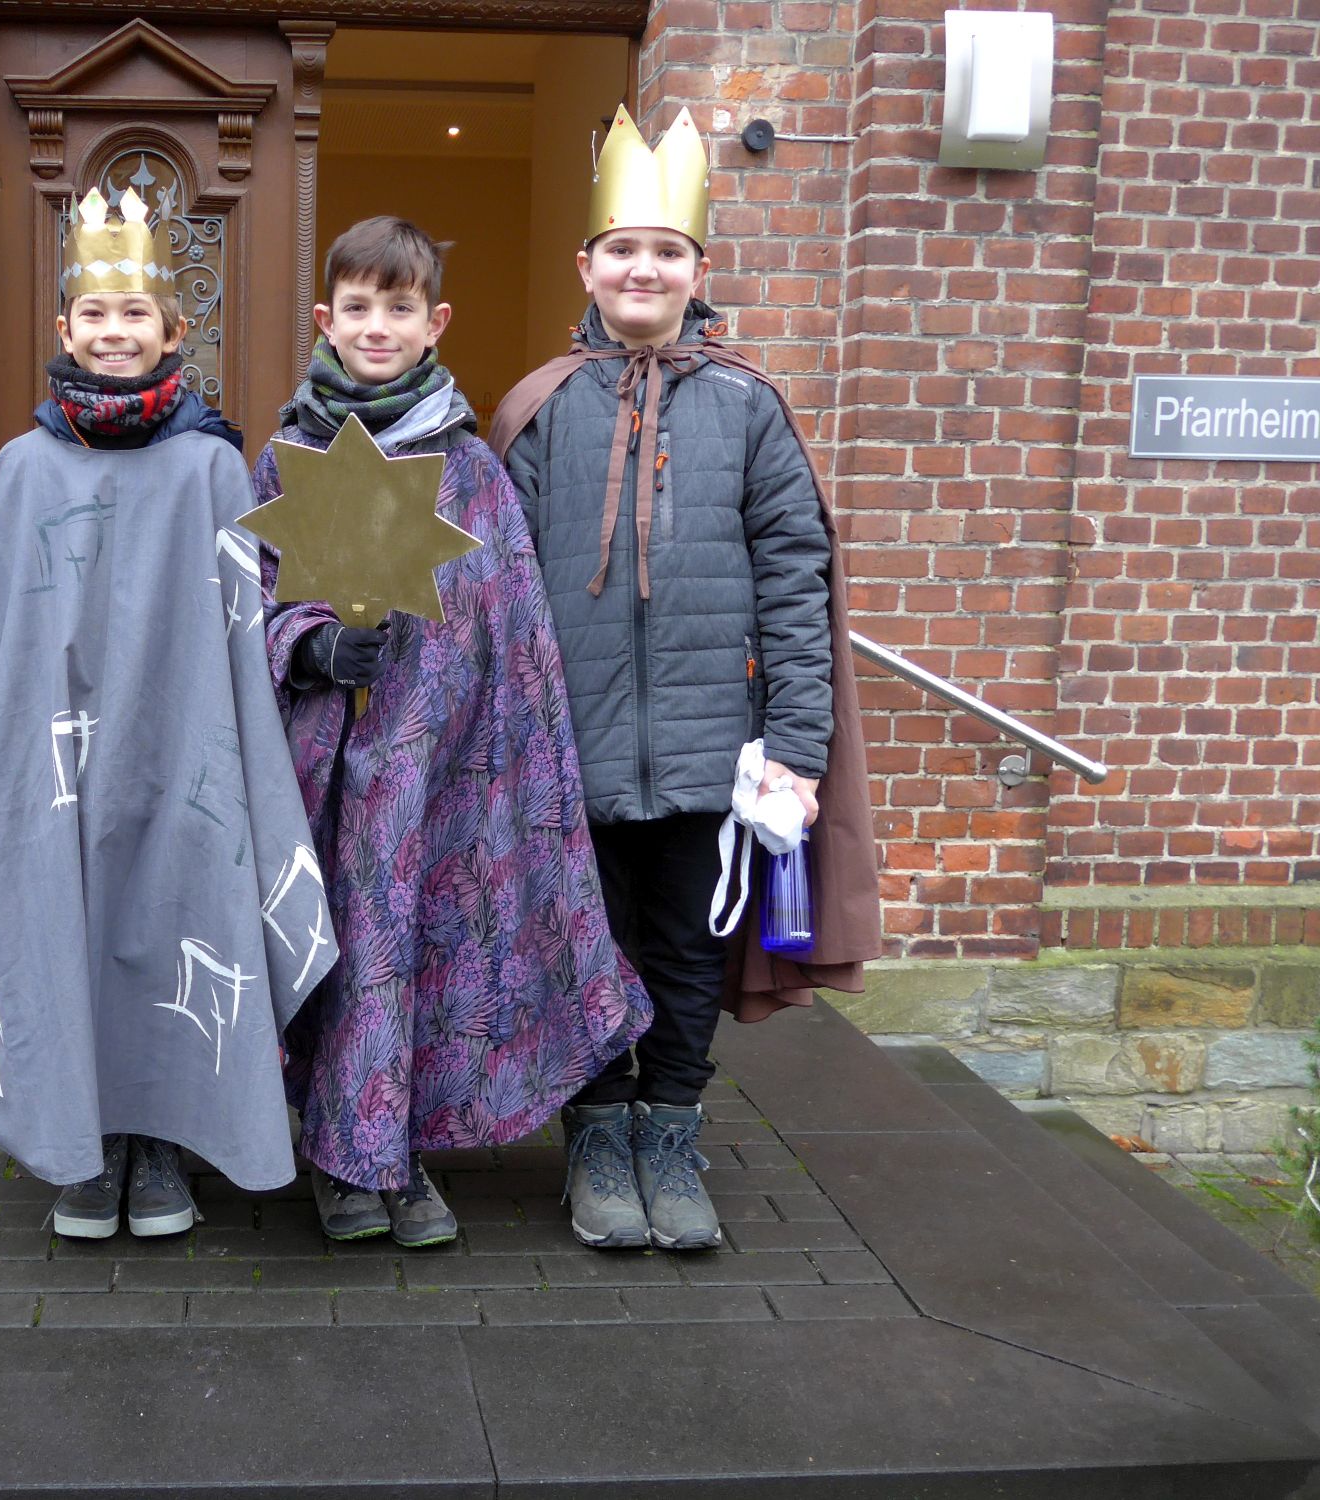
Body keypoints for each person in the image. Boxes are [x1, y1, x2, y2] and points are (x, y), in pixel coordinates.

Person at [0, 187, 336, 1242]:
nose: (114, 331)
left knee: (175, 921)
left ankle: (160, 1140)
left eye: (136, 314)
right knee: (60, 927)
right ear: (65, 329)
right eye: (95, 313)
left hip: (181, 752)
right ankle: (83, 1144)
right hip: (50, 763)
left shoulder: (210, 467)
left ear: (174, 334)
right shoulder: (21, 468)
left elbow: (246, 622)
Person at [491, 108, 880, 1250]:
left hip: (716, 755)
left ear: (698, 271)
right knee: (584, 946)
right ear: (586, 265)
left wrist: (797, 750)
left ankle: (667, 1133)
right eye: (623, 248)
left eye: (667, 250)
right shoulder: (538, 408)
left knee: (684, 953)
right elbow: (500, 594)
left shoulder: (749, 407)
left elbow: (796, 581)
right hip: (571, 749)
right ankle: (595, 1143)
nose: (643, 268)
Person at [257, 215, 654, 1249]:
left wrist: (485, 747)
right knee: (341, 955)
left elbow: (508, 620)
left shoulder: (470, 467)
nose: (375, 327)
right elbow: (249, 597)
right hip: (325, 767)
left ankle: (397, 1153)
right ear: (325, 319)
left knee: (412, 957)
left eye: (398, 308)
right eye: (357, 307)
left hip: (438, 766)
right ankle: (340, 1158)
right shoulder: (287, 456)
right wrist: (312, 646)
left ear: (433, 322)